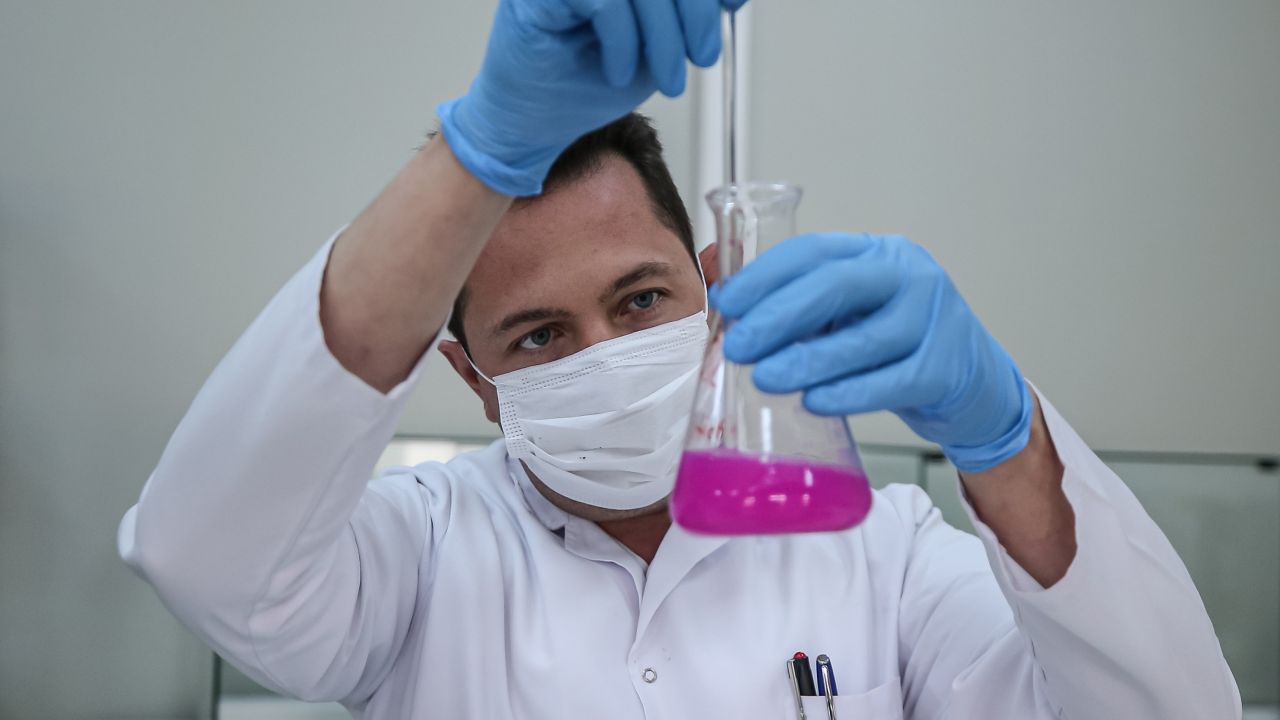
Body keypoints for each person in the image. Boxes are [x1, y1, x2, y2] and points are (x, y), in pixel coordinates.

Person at [118, 1, 1241, 718]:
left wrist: (1004, 436)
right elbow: (202, 555)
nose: (606, 355)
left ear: (713, 289)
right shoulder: (419, 557)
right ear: (476, 381)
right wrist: (480, 150)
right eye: (540, 335)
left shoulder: (881, 553)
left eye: (641, 299)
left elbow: (1169, 709)